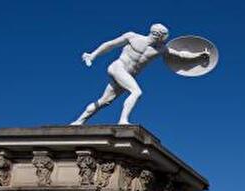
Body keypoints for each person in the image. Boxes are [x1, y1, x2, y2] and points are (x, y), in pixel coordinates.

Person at [71, 23, 210, 125]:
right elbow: (110, 45)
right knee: (136, 92)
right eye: (164, 36)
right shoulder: (133, 37)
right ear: (158, 34)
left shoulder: (161, 49)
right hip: (118, 67)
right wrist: (93, 55)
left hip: (128, 75)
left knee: (104, 101)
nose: (164, 39)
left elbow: (180, 55)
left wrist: (199, 55)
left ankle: (78, 121)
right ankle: (123, 120)